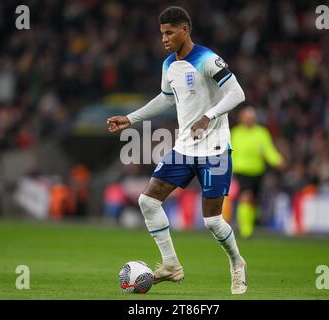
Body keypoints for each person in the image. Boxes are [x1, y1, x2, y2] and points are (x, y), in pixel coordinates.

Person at [107, 6, 247, 294]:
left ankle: (237, 262)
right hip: (184, 147)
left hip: (215, 149)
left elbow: (237, 93)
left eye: (170, 32)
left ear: (185, 30)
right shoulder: (169, 65)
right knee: (148, 201)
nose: (164, 38)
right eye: (162, 33)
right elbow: (165, 98)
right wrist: (131, 118)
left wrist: (209, 115)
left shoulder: (208, 59)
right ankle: (171, 265)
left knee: (211, 221)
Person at [229, 106, 285, 238]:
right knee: (246, 197)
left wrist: (277, 160)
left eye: (251, 118)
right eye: (246, 118)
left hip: (257, 171)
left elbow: (268, 150)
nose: (248, 120)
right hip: (242, 171)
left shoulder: (261, 133)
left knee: (253, 201)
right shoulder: (236, 133)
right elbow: (229, 152)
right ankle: (245, 230)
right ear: (241, 119)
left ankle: (249, 224)